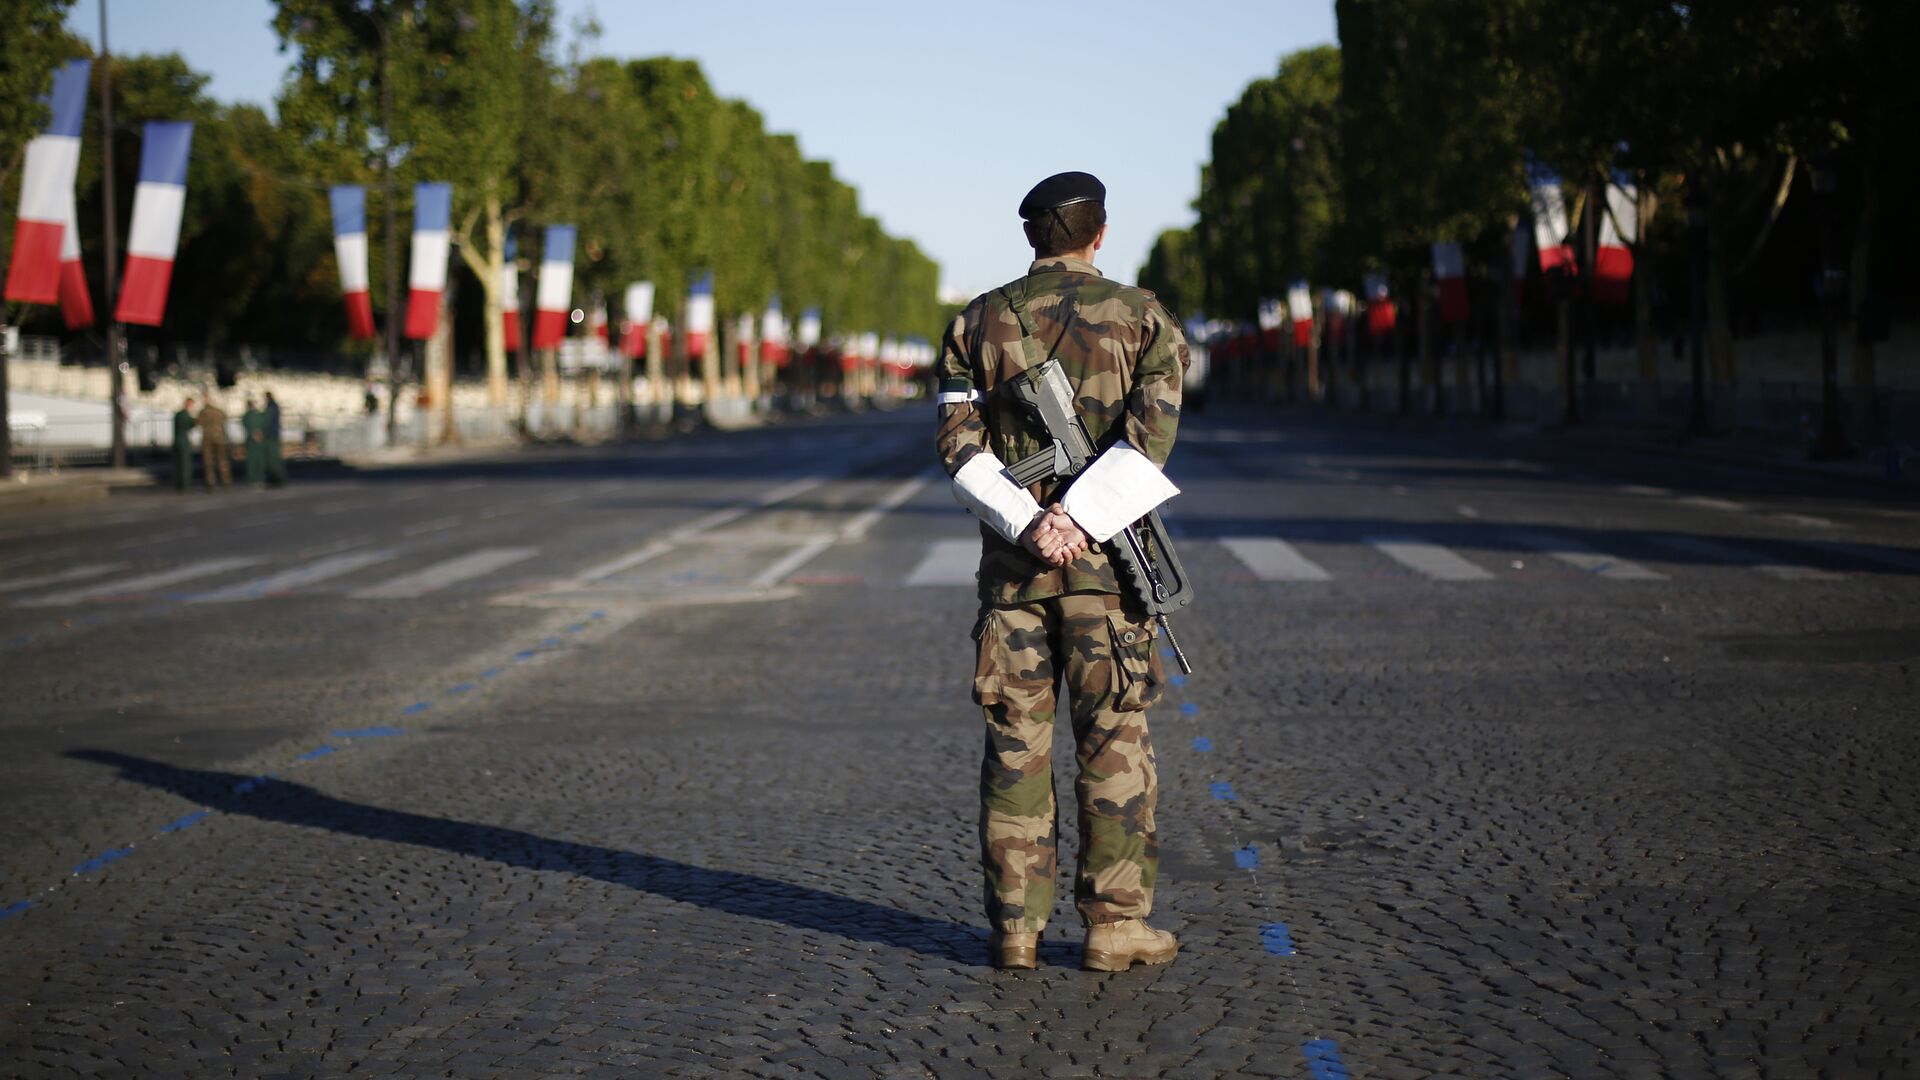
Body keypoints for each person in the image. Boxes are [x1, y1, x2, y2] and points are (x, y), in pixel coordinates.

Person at [936, 171, 1190, 972]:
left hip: (1014, 575)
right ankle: (1114, 927)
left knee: (1016, 746)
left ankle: (1016, 926)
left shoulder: (976, 322)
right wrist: (1080, 520)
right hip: (1106, 578)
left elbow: (956, 444)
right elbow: (1150, 440)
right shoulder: (1143, 317)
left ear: (1030, 237)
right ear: (1099, 232)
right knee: (1114, 742)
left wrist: (1032, 522)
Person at [197, 398, 232, 491]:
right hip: (219, 438)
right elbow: (225, 420)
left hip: (208, 439)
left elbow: (198, 423)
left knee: (208, 462)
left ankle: (211, 482)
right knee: (222, 461)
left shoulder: (203, 412)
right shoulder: (219, 411)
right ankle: (226, 481)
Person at [262, 391, 288, 486]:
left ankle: (277, 479)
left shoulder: (271, 407)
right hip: (273, 435)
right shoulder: (273, 406)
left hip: (271, 436)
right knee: (273, 459)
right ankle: (277, 479)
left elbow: (267, 420)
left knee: (273, 459)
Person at [171, 396, 197, 492]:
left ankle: (179, 485)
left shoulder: (179, 414)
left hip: (178, 440)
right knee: (185, 465)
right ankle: (185, 485)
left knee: (179, 464)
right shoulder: (184, 415)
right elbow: (190, 424)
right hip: (183, 441)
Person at [241, 398, 267, 489]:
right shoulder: (259, 415)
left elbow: (245, 425)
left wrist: (253, 433)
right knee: (259, 460)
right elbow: (264, 424)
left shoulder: (246, 416)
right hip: (259, 439)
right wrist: (259, 433)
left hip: (251, 440)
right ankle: (259, 479)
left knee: (252, 461)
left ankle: (253, 480)